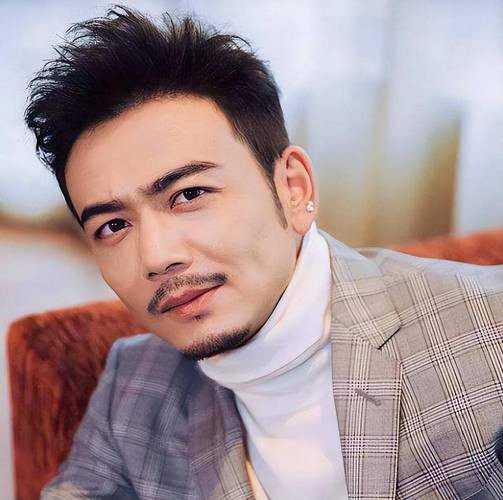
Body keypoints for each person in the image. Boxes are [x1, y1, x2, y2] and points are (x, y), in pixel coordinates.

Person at [24, 5, 503, 499]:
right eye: (113, 225)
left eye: (189, 195)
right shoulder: (134, 386)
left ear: (293, 189)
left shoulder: (489, 334)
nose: (156, 256)